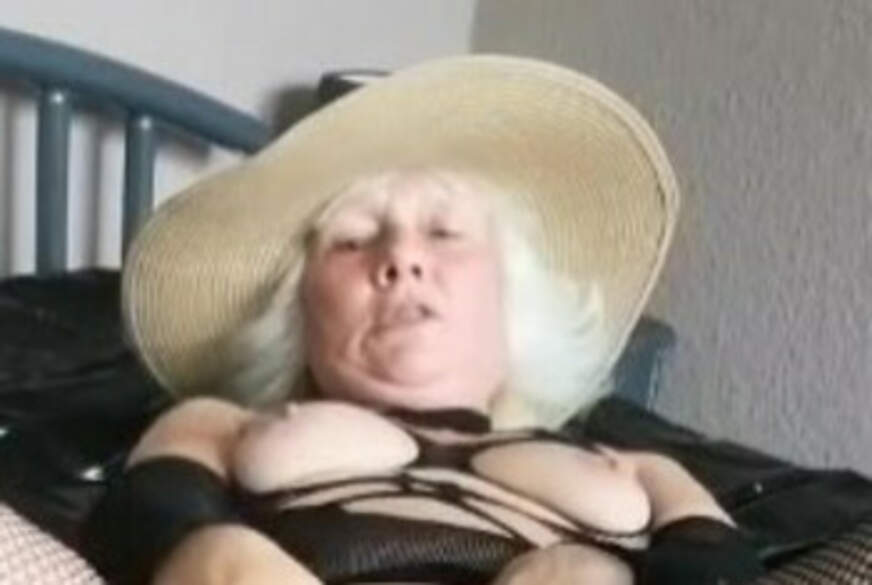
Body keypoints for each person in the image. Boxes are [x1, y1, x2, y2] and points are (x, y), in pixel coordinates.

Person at [83, 56, 763, 585]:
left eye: (444, 232)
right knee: (221, 557)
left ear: (508, 288)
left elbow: (720, 564)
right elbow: (139, 522)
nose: (402, 258)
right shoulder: (219, 424)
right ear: (299, 306)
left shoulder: (635, 468)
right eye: (352, 240)